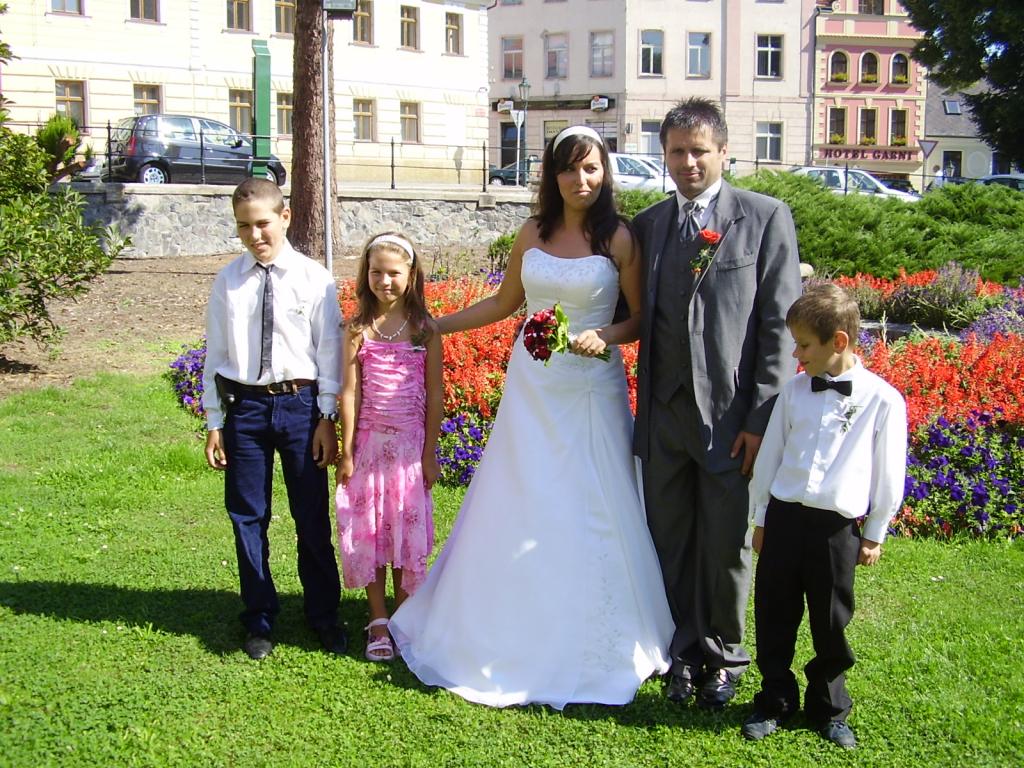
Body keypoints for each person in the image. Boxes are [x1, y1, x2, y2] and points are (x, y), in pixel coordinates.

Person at [389, 125, 674, 709]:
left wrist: (604, 335)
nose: (580, 179)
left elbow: (641, 318)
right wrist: (438, 325)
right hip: (533, 385)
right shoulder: (532, 232)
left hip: (590, 388)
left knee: (591, 496)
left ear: (605, 173)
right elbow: (505, 303)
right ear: (553, 174)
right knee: (523, 490)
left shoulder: (619, 238)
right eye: (569, 168)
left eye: (591, 168)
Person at [632, 97, 802, 708]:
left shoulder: (764, 217)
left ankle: (725, 655)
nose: (688, 162)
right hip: (663, 413)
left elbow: (780, 326)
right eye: (677, 151)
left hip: (731, 416)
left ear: (724, 152)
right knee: (669, 537)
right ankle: (680, 651)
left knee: (727, 545)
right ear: (664, 155)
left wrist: (761, 418)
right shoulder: (647, 225)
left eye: (699, 151)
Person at [742, 283, 907, 749]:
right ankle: (775, 698)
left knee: (830, 620)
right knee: (774, 612)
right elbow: (771, 456)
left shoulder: (883, 400)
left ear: (839, 341)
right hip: (785, 518)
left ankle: (829, 707)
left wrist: (874, 532)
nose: (796, 355)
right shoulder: (794, 392)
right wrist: (761, 517)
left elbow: (888, 471)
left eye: (804, 345)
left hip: (836, 528)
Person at [202, 178, 347, 660]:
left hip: (300, 408)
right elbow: (216, 354)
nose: (255, 235)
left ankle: (323, 614)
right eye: (244, 226)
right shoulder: (229, 281)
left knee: (311, 516)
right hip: (245, 409)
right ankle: (259, 616)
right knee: (248, 516)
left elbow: (329, 353)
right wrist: (215, 420)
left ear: (285, 217)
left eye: (262, 223)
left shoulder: (314, 279)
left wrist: (326, 417)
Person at [336, 232, 443, 663]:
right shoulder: (357, 330)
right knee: (371, 533)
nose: (385, 281)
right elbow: (349, 393)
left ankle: (403, 617)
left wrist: (430, 453)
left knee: (404, 533)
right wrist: (347, 450)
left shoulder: (424, 330)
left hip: (409, 452)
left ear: (411, 275)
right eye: (376, 272)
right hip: (369, 447)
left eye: (394, 273)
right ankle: (377, 618)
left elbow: (434, 395)